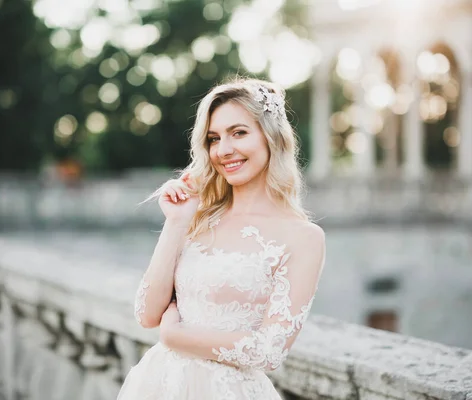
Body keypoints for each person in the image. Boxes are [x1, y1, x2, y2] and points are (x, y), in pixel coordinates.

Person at [116, 78, 326, 399]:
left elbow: (268, 351)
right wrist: (176, 222)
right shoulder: (198, 218)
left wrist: (174, 336)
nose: (224, 150)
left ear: (272, 137)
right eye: (214, 138)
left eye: (238, 133)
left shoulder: (304, 237)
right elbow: (146, 313)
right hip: (160, 385)